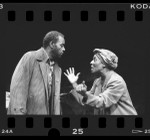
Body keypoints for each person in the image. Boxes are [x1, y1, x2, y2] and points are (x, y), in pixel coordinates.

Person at [64, 48, 137, 115]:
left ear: (104, 64)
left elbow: (102, 102)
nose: (91, 62)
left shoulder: (117, 81)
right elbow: (88, 101)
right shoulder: (97, 81)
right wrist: (74, 83)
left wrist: (85, 94)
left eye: (95, 60)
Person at [7, 31, 65, 115]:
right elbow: (17, 92)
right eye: (61, 45)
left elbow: (55, 101)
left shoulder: (58, 70)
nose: (64, 49)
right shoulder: (30, 57)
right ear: (52, 44)